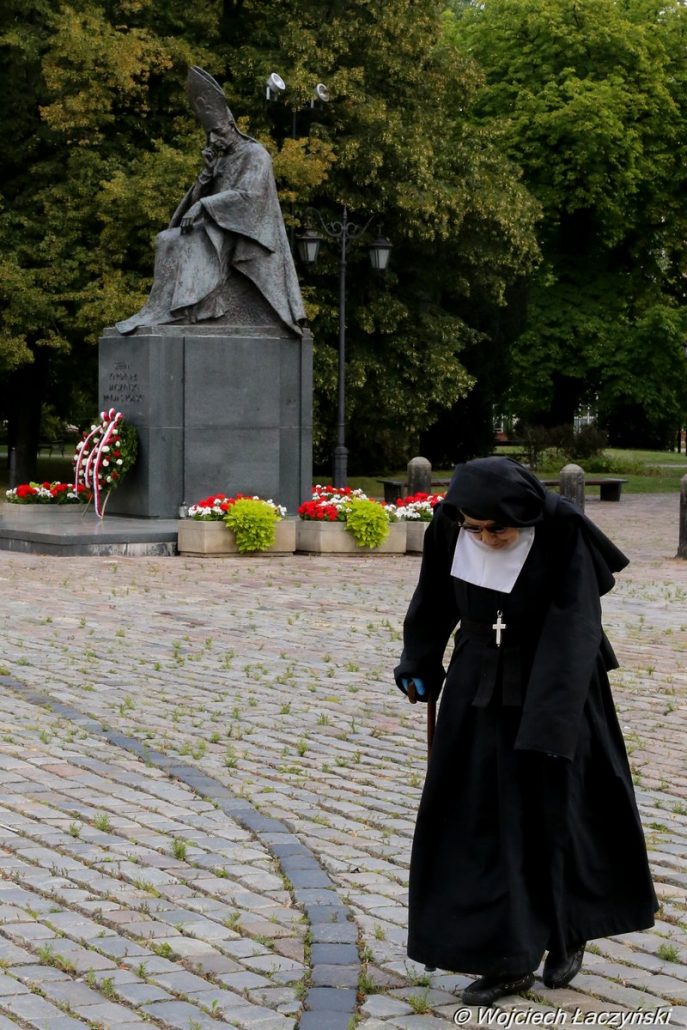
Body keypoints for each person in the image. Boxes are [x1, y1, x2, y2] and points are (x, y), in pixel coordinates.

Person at [394, 457, 657, 1005]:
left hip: (555, 682)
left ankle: (567, 929)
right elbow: (434, 595)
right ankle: (505, 956)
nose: (485, 539)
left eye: (497, 530)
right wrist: (419, 657)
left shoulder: (562, 531)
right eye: (475, 529)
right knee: (479, 815)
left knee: (558, 812)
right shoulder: (451, 524)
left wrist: (550, 720)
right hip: (478, 680)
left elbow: (575, 627)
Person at [117, 66, 306, 337]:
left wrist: (204, 206)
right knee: (166, 239)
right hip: (217, 226)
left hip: (244, 233)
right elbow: (193, 202)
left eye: (218, 131)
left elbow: (250, 198)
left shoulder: (256, 154)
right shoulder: (220, 158)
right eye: (211, 134)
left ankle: (190, 310)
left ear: (231, 125)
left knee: (186, 243)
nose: (214, 138)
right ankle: (166, 310)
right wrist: (206, 174)